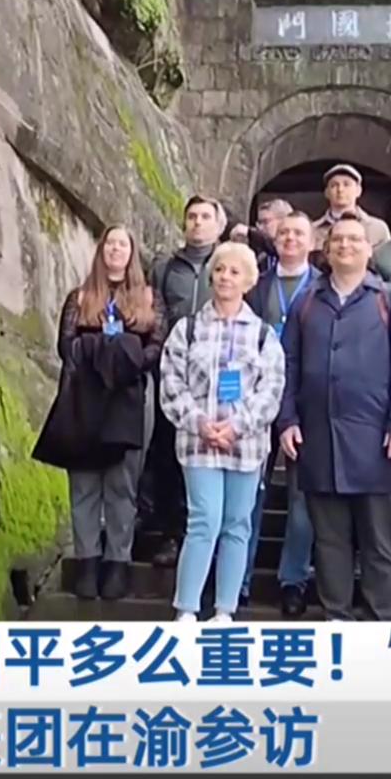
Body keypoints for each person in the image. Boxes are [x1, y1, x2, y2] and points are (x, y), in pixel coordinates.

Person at [277, 212, 391, 622]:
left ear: (368, 249)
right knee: (329, 540)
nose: (345, 245)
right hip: (318, 436)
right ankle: (336, 614)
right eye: (337, 240)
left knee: (378, 538)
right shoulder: (308, 301)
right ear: (325, 250)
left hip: (375, 439)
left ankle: (382, 616)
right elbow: (287, 364)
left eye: (354, 239)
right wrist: (287, 419)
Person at [32, 226, 165, 600]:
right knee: (84, 483)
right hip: (85, 395)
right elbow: (66, 344)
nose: (116, 249)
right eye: (110, 243)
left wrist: (126, 358)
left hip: (129, 396)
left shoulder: (148, 297)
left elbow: (157, 345)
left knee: (122, 484)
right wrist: (99, 352)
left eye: (123, 244)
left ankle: (117, 560)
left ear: (132, 252)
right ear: (101, 250)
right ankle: (87, 560)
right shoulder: (80, 297)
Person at [158, 242, 287, 623]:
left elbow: (271, 390)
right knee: (204, 520)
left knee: (237, 525)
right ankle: (186, 608)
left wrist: (238, 425)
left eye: (234, 271)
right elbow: (171, 383)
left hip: (245, 446)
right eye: (219, 270)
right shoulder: (188, 329)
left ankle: (225, 610)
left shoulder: (262, 334)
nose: (225, 277)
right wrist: (199, 422)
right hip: (198, 442)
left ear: (248, 281)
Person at [140, 196, 227, 567]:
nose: (198, 222)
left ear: (219, 225)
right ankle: (172, 532)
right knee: (167, 453)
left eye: (205, 216)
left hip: (217, 375)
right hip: (172, 372)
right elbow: (153, 313)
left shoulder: (229, 262)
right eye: (192, 216)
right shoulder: (164, 268)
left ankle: (210, 537)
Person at [244, 210, 320, 616]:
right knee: (248, 492)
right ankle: (238, 577)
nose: (290, 238)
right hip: (256, 397)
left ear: (312, 241)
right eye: (284, 232)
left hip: (304, 402)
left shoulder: (323, 288)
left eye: (298, 233)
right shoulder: (256, 286)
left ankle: (294, 579)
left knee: (302, 498)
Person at [311, 165, 391, 277]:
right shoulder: (313, 230)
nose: (340, 189)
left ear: (358, 190)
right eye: (334, 185)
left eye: (346, 184)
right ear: (326, 192)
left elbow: (387, 267)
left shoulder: (377, 228)